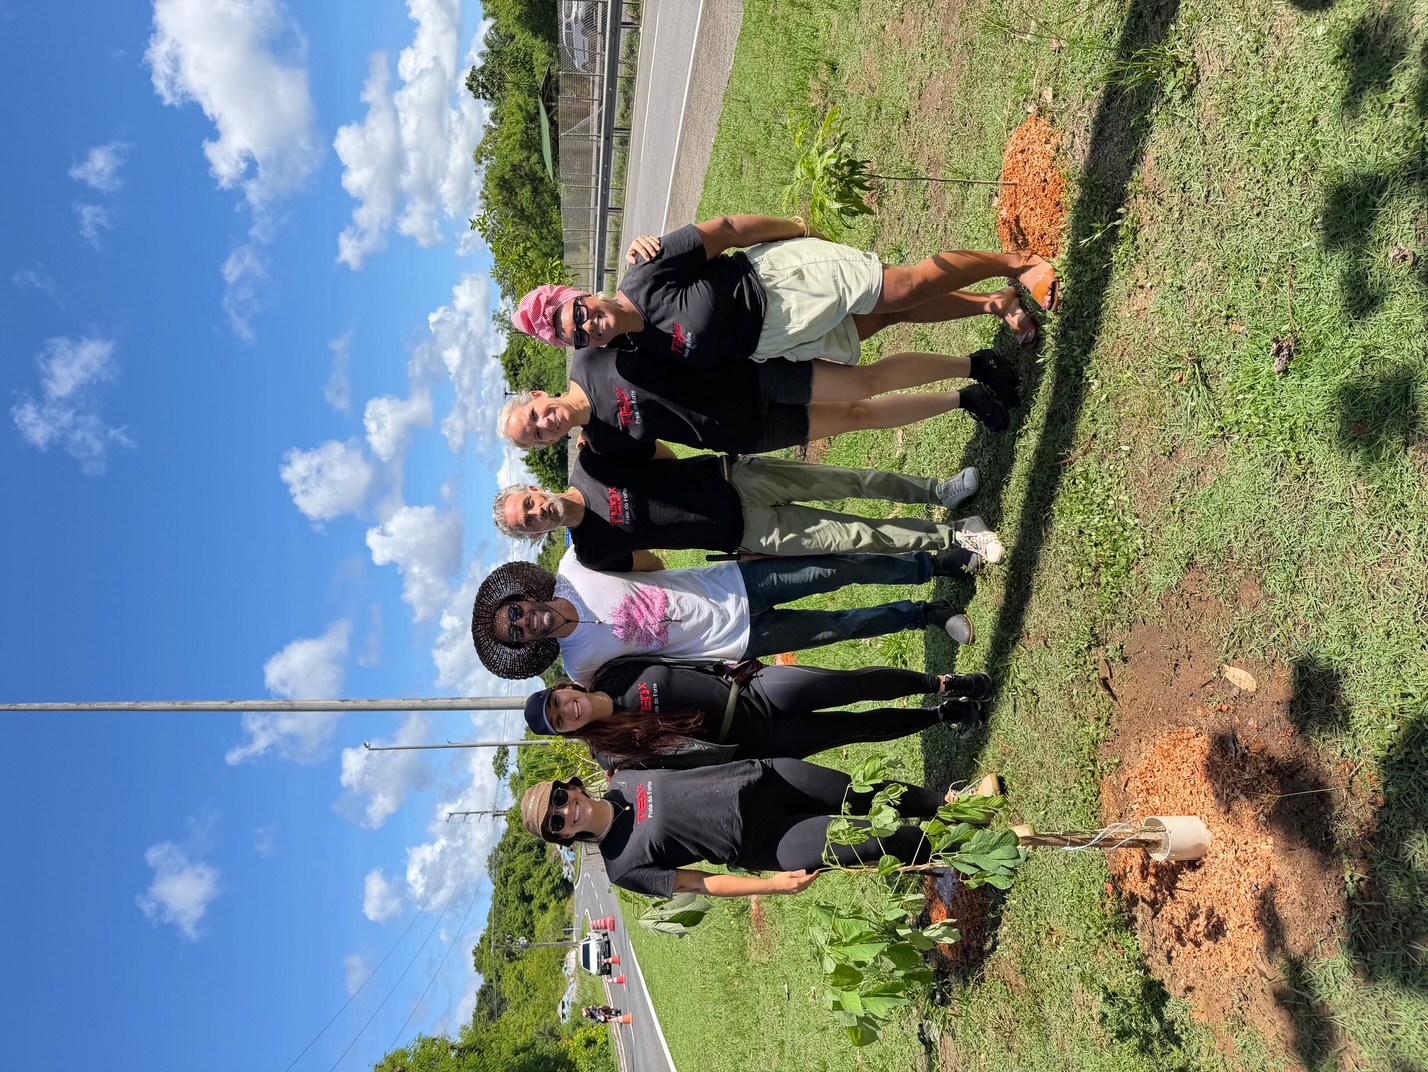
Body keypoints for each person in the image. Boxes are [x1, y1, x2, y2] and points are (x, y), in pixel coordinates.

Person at [511, 216, 1059, 366]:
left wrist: (796, 229)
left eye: (577, 313)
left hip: (779, 281)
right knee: (896, 314)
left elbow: (724, 231)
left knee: (904, 286)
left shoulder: (645, 270)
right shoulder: (634, 356)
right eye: (577, 336)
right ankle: (994, 303)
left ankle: (1016, 263)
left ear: (585, 294)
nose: (587, 326)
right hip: (780, 340)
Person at [469, 550, 980, 684]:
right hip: (738, 640)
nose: (523, 622)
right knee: (843, 625)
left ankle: (933, 565)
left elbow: (649, 563)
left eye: (513, 612)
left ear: (519, 596)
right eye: (514, 632)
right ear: (521, 645)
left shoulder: (574, 567)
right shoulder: (579, 668)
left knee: (837, 570)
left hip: (734, 582)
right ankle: (927, 614)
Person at [518, 762, 1004, 899]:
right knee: (871, 838)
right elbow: (696, 883)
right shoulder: (621, 867)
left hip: (764, 777)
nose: (567, 811)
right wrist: (770, 885)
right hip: (763, 842)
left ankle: (951, 802)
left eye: (559, 798)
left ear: (570, 787)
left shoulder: (624, 778)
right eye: (556, 822)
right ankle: (964, 846)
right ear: (563, 837)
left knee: (862, 792)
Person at [492, 449, 1006, 569]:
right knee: (857, 536)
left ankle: (939, 491)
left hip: (737, 476)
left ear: (534, 488)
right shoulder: (591, 552)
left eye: (529, 503)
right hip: (747, 533)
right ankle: (958, 535)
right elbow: (652, 564)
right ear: (535, 536)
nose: (539, 512)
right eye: (529, 522)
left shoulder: (592, 463)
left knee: (851, 481)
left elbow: (659, 456)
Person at [498, 343, 1021, 455]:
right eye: (538, 434)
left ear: (538, 395)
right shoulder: (602, 446)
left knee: (862, 384)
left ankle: (976, 364)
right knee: (860, 418)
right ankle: (964, 398)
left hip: (751, 380)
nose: (545, 422)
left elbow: (638, 316)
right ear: (548, 444)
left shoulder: (590, 359)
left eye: (534, 414)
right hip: (747, 434)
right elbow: (661, 454)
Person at [522, 660, 994, 770]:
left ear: (565, 688)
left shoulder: (613, 671)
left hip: (754, 692)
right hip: (761, 744)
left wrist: (734, 664)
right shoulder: (612, 755)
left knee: (850, 685)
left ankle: (944, 683)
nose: (568, 711)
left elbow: (680, 654)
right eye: (561, 720)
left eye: (558, 702)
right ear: (570, 732)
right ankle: (943, 715)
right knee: (857, 728)